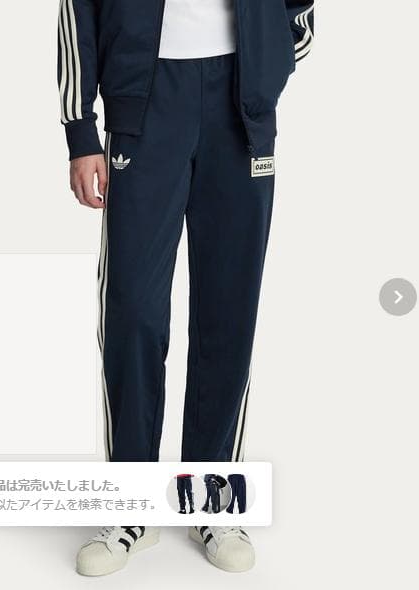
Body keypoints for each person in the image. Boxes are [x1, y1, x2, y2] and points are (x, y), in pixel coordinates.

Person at [58, 0, 314, 576]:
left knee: (229, 307)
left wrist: (264, 66)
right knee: (133, 309)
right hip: (144, 98)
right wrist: (80, 130)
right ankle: (132, 504)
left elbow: (300, 12)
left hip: (239, 102)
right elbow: (76, 11)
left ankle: (211, 496)